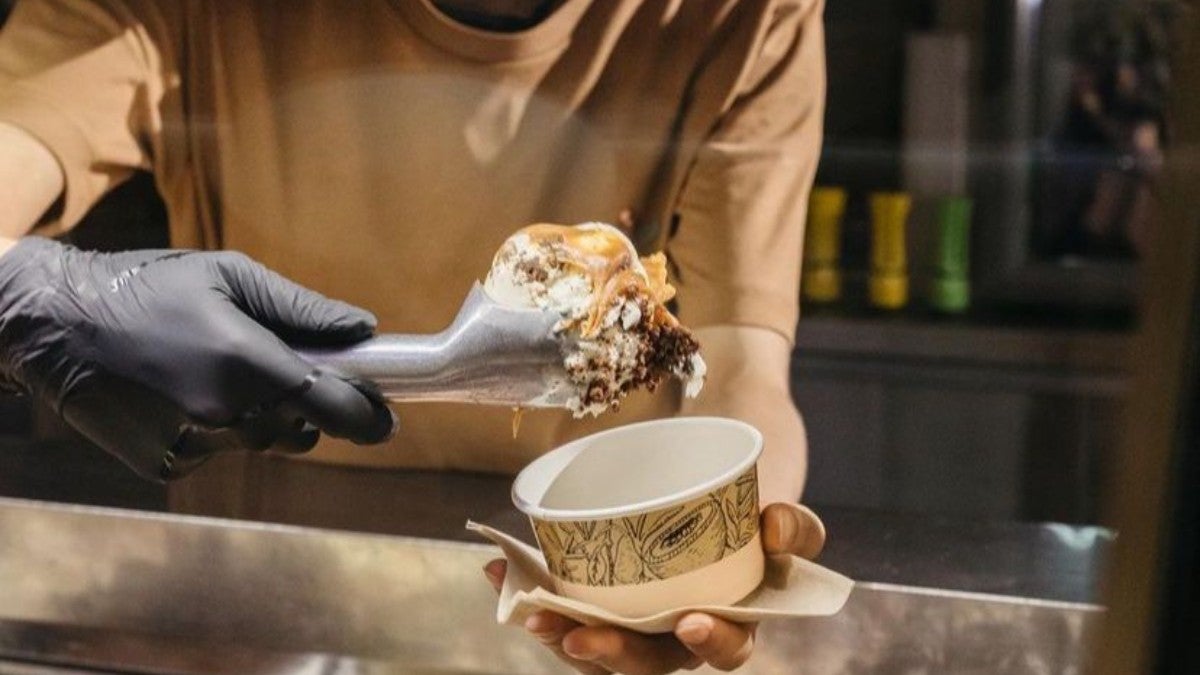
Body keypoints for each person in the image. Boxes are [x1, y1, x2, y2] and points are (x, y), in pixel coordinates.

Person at [0, 0, 826, 672]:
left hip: (584, 615)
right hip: (255, 606)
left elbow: (740, 355)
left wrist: (730, 556)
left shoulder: (742, 15)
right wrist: (34, 297)